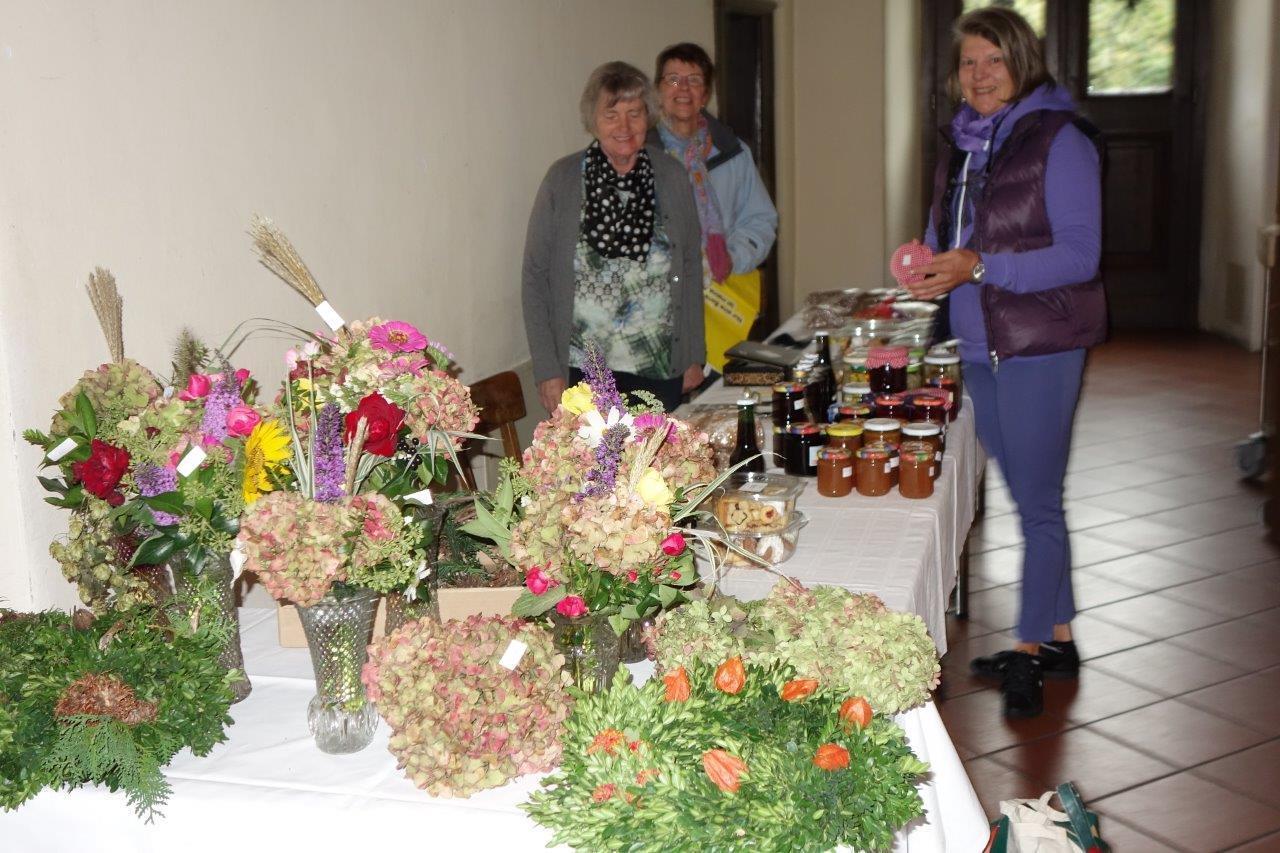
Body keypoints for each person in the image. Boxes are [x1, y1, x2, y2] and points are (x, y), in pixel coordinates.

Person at [906, 7, 1106, 718]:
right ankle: (1060, 635)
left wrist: (983, 266)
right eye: (969, 62)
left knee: (1039, 501)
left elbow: (1080, 256)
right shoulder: (961, 146)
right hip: (977, 345)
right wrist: (926, 265)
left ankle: (1027, 649)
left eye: (994, 59)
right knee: (1027, 492)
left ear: (1022, 62)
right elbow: (948, 242)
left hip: (1038, 345)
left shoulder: (1060, 140)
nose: (980, 74)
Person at [522, 61, 704, 415]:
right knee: (589, 453)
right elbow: (535, 276)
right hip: (581, 372)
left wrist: (693, 354)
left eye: (634, 114)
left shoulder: (671, 176)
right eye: (612, 115)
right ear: (593, 121)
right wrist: (547, 369)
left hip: (659, 366)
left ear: (648, 117)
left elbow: (690, 267)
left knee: (656, 453)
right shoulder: (562, 179)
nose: (624, 127)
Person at [650, 42, 778, 374]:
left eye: (694, 80)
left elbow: (761, 220)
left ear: (705, 94)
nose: (683, 89)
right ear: (658, 91)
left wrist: (730, 257)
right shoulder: (641, 157)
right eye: (673, 79)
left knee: (716, 398)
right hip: (660, 316)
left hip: (721, 300)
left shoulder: (733, 153)